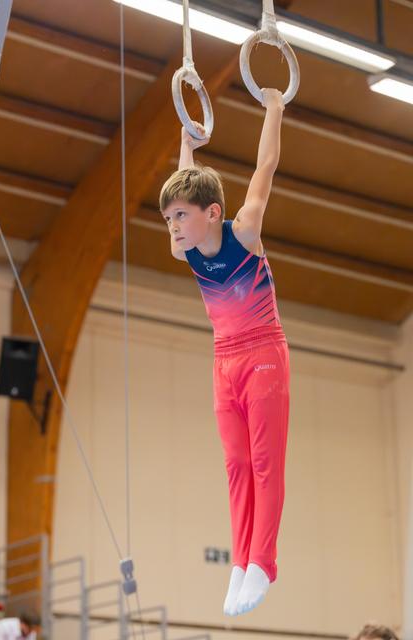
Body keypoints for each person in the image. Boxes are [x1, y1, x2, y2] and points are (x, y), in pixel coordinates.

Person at [160, 89, 289, 616]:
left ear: (214, 213)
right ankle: (239, 562)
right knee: (236, 464)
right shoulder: (185, 245)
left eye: (181, 217)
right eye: (168, 218)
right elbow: (182, 189)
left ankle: (263, 562)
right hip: (223, 362)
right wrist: (185, 145)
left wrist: (275, 108)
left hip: (264, 355)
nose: (172, 227)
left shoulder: (247, 229)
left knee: (263, 462)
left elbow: (267, 164)